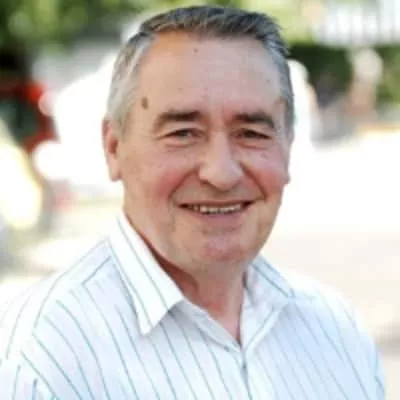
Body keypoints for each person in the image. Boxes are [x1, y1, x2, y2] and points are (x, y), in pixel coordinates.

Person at [0, 6, 385, 399]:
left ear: (287, 147)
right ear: (114, 148)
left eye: (251, 133)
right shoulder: (36, 362)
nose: (222, 173)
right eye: (183, 133)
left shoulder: (337, 333)